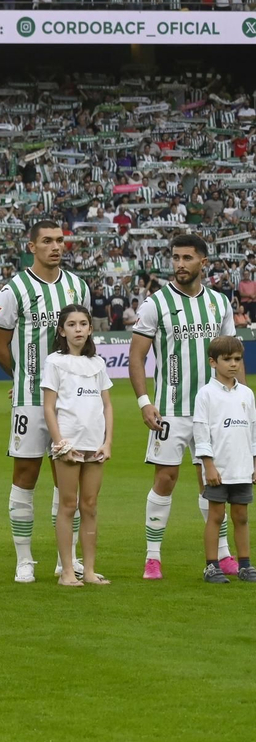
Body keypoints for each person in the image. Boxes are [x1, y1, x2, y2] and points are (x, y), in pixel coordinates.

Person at [130, 233, 238, 580]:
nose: (179, 264)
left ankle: (222, 555)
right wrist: (145, 402)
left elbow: (232, 355)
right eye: (175, 258)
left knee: (213, 481)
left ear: (203, 263)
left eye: (187, 258)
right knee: (166, 477)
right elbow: (137, 356)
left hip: (213, 408)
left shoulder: (219, 304)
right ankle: (152, 557)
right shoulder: (155, 303)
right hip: (171, 409)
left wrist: (238, 403)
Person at [0, 219, 90, 584]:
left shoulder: (78, 286)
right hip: (31, 399)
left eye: (60, 240)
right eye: (47, 241)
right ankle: (24, 558)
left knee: (69, 479)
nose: (55, 246)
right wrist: (21, 377)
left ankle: (69, 559)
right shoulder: (14, 289)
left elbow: (83, 337)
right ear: (31, 246)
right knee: (26, 474)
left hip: (73, 401)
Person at [40, 304, 114, 586]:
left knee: (91, 506)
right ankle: (67, 571)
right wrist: (60, 443)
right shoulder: (54, 362)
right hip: (68, 445)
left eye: (83, 324)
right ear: (62, 330)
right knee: (68, 505)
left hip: (94, 445)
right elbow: (49, 407)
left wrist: (107, 442)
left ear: (90, 328)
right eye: (72, 324)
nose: (78, 329)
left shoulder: (98, 364)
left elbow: (107, 405)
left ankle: (90, 570)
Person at [193, 336, 256, 585]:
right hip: (218, 468)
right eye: (227, 359)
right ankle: (211, 566)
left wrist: (253, 463)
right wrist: (208, 464)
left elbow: (252, 430)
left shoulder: (247, 394)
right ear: (213, 362)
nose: (233, 364)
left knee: (241, 516)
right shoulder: (206, 395)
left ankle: (245, 565)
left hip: (242, 467)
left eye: (237, 359)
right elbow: (201, 431)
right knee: (216, 517)